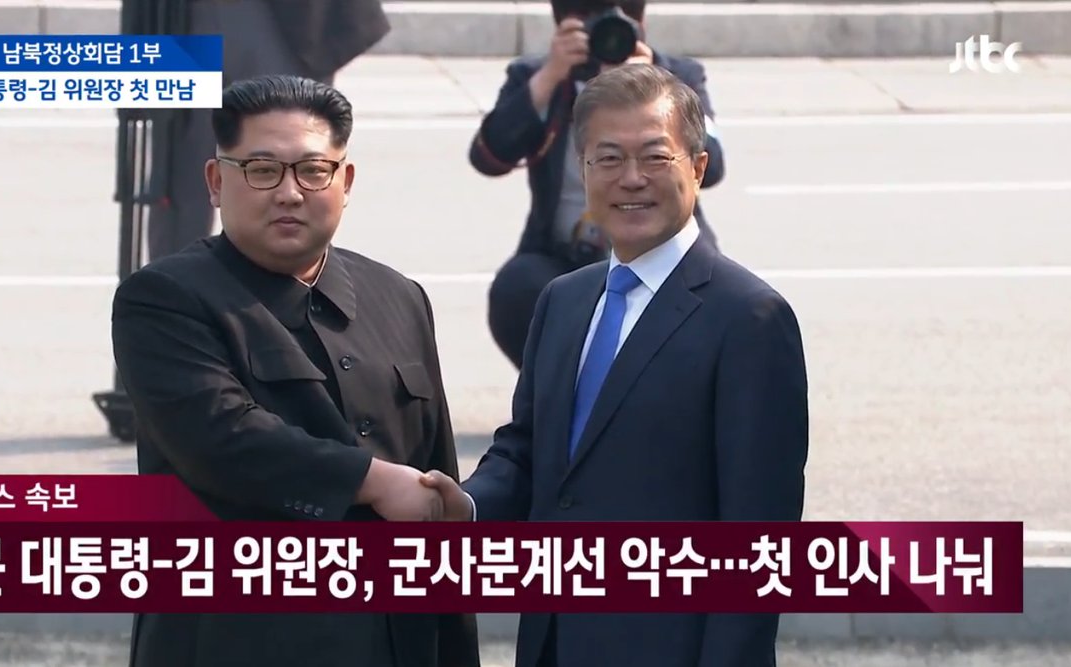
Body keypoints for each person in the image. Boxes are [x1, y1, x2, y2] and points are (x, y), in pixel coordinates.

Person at [424, 64, 808, 667]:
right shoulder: (564, 300)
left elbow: (759, 539)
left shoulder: (748, 317)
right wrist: (465, 504)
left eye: (655, 157)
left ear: (697, 168)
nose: (631, 179)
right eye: (608, 158)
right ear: (583, 171)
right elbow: (527, 451)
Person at [111, 74, 480, 667]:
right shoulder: (165, 298)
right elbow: (222, 438)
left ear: (345, 181)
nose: (289, 192)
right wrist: (373, 480)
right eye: (262, 170)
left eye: (313, 171)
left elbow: (437, 477)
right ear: (216, 182)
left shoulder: (399, 296)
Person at [470, 0, 726, 370]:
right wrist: (550, 75)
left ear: (641, 22)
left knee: (703, 296)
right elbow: (489, 156)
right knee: (518, 288)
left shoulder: (679, 76)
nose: (608, 33)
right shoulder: (538, 76)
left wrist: (656, 90)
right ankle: (557, 391)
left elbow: (713, 166)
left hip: (663, 249)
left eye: (620, 20)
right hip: (563, 254)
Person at [145, 0, 391, 261]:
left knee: (286, 170)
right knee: (180, 179)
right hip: (183, 15)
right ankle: (172, 282)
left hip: (283, 22)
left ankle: (289, 283)